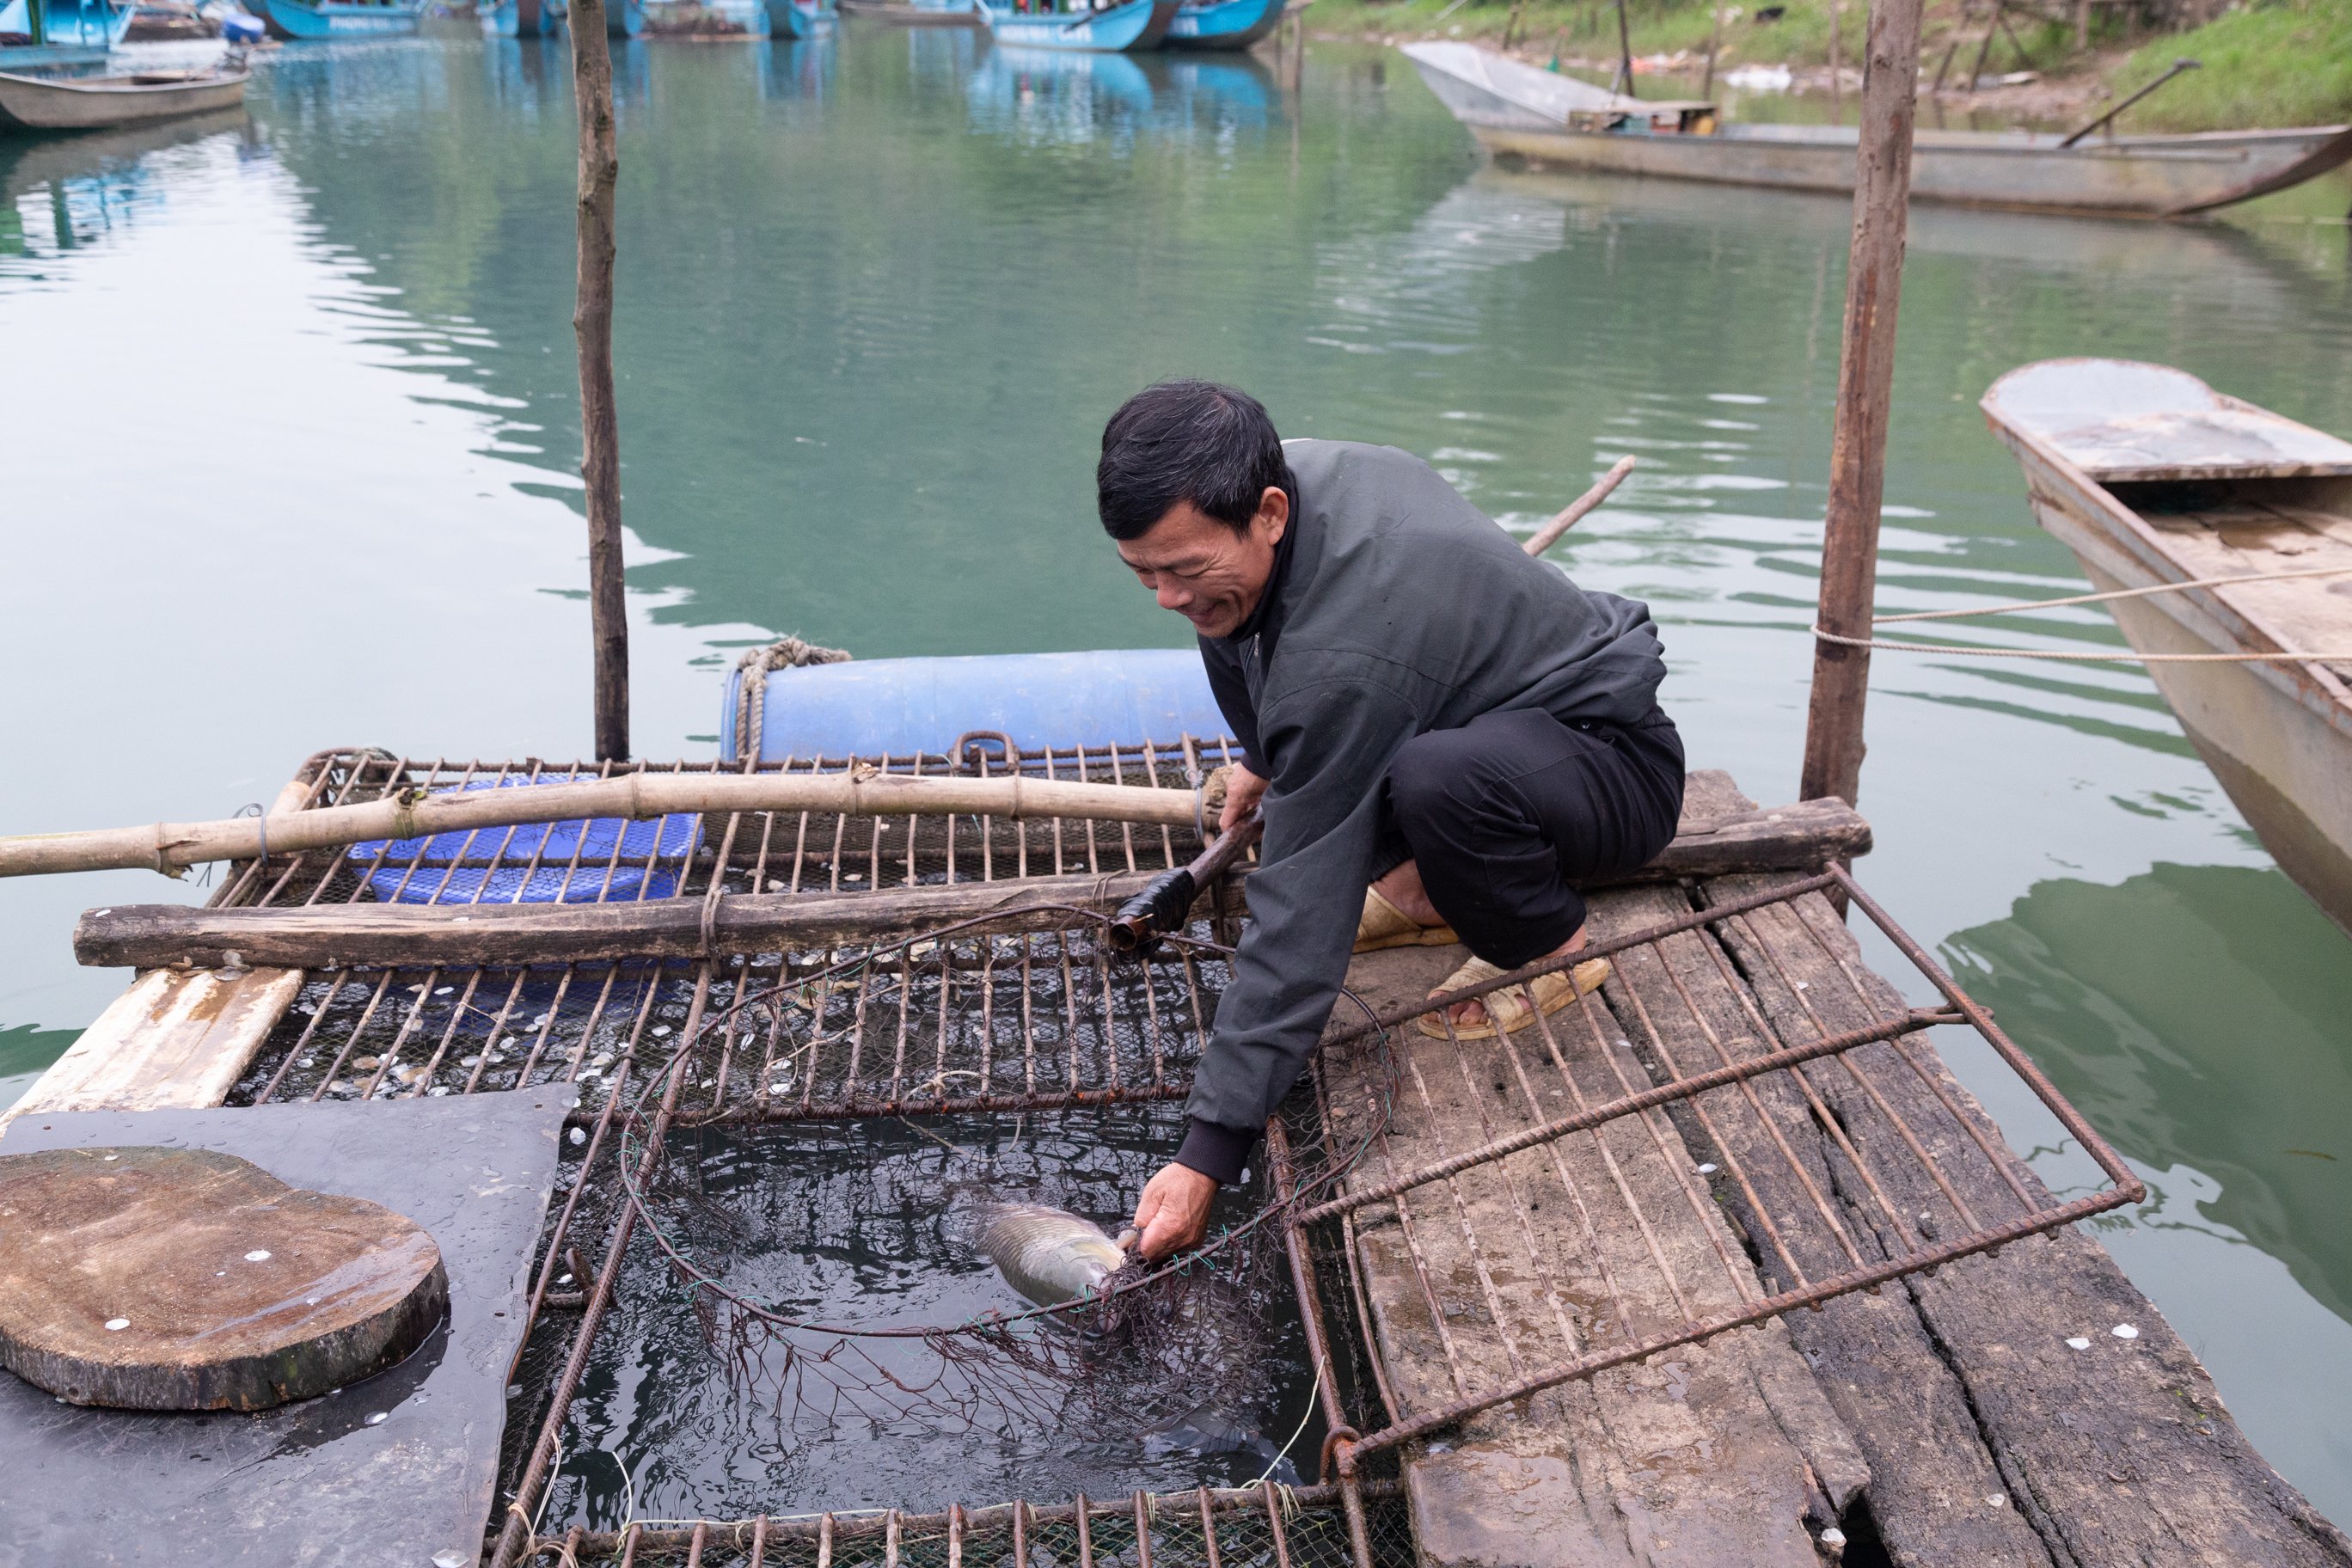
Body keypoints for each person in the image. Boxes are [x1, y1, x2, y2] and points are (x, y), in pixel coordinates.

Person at [1101, 381, 1685, 1262]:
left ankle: (1551, 944)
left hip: (1607, 766)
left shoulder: (1349, 639)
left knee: (1432, 782)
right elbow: (1241, 634)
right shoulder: (1278, 483)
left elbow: (1300, 903)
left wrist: (1208, 1150)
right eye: (1142, 571)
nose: (1164, 596)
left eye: (1181, 569)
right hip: (1487, 724)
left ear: (1266, 512)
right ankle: (1427, 886)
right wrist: (1265, 757)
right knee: (1357, 732)